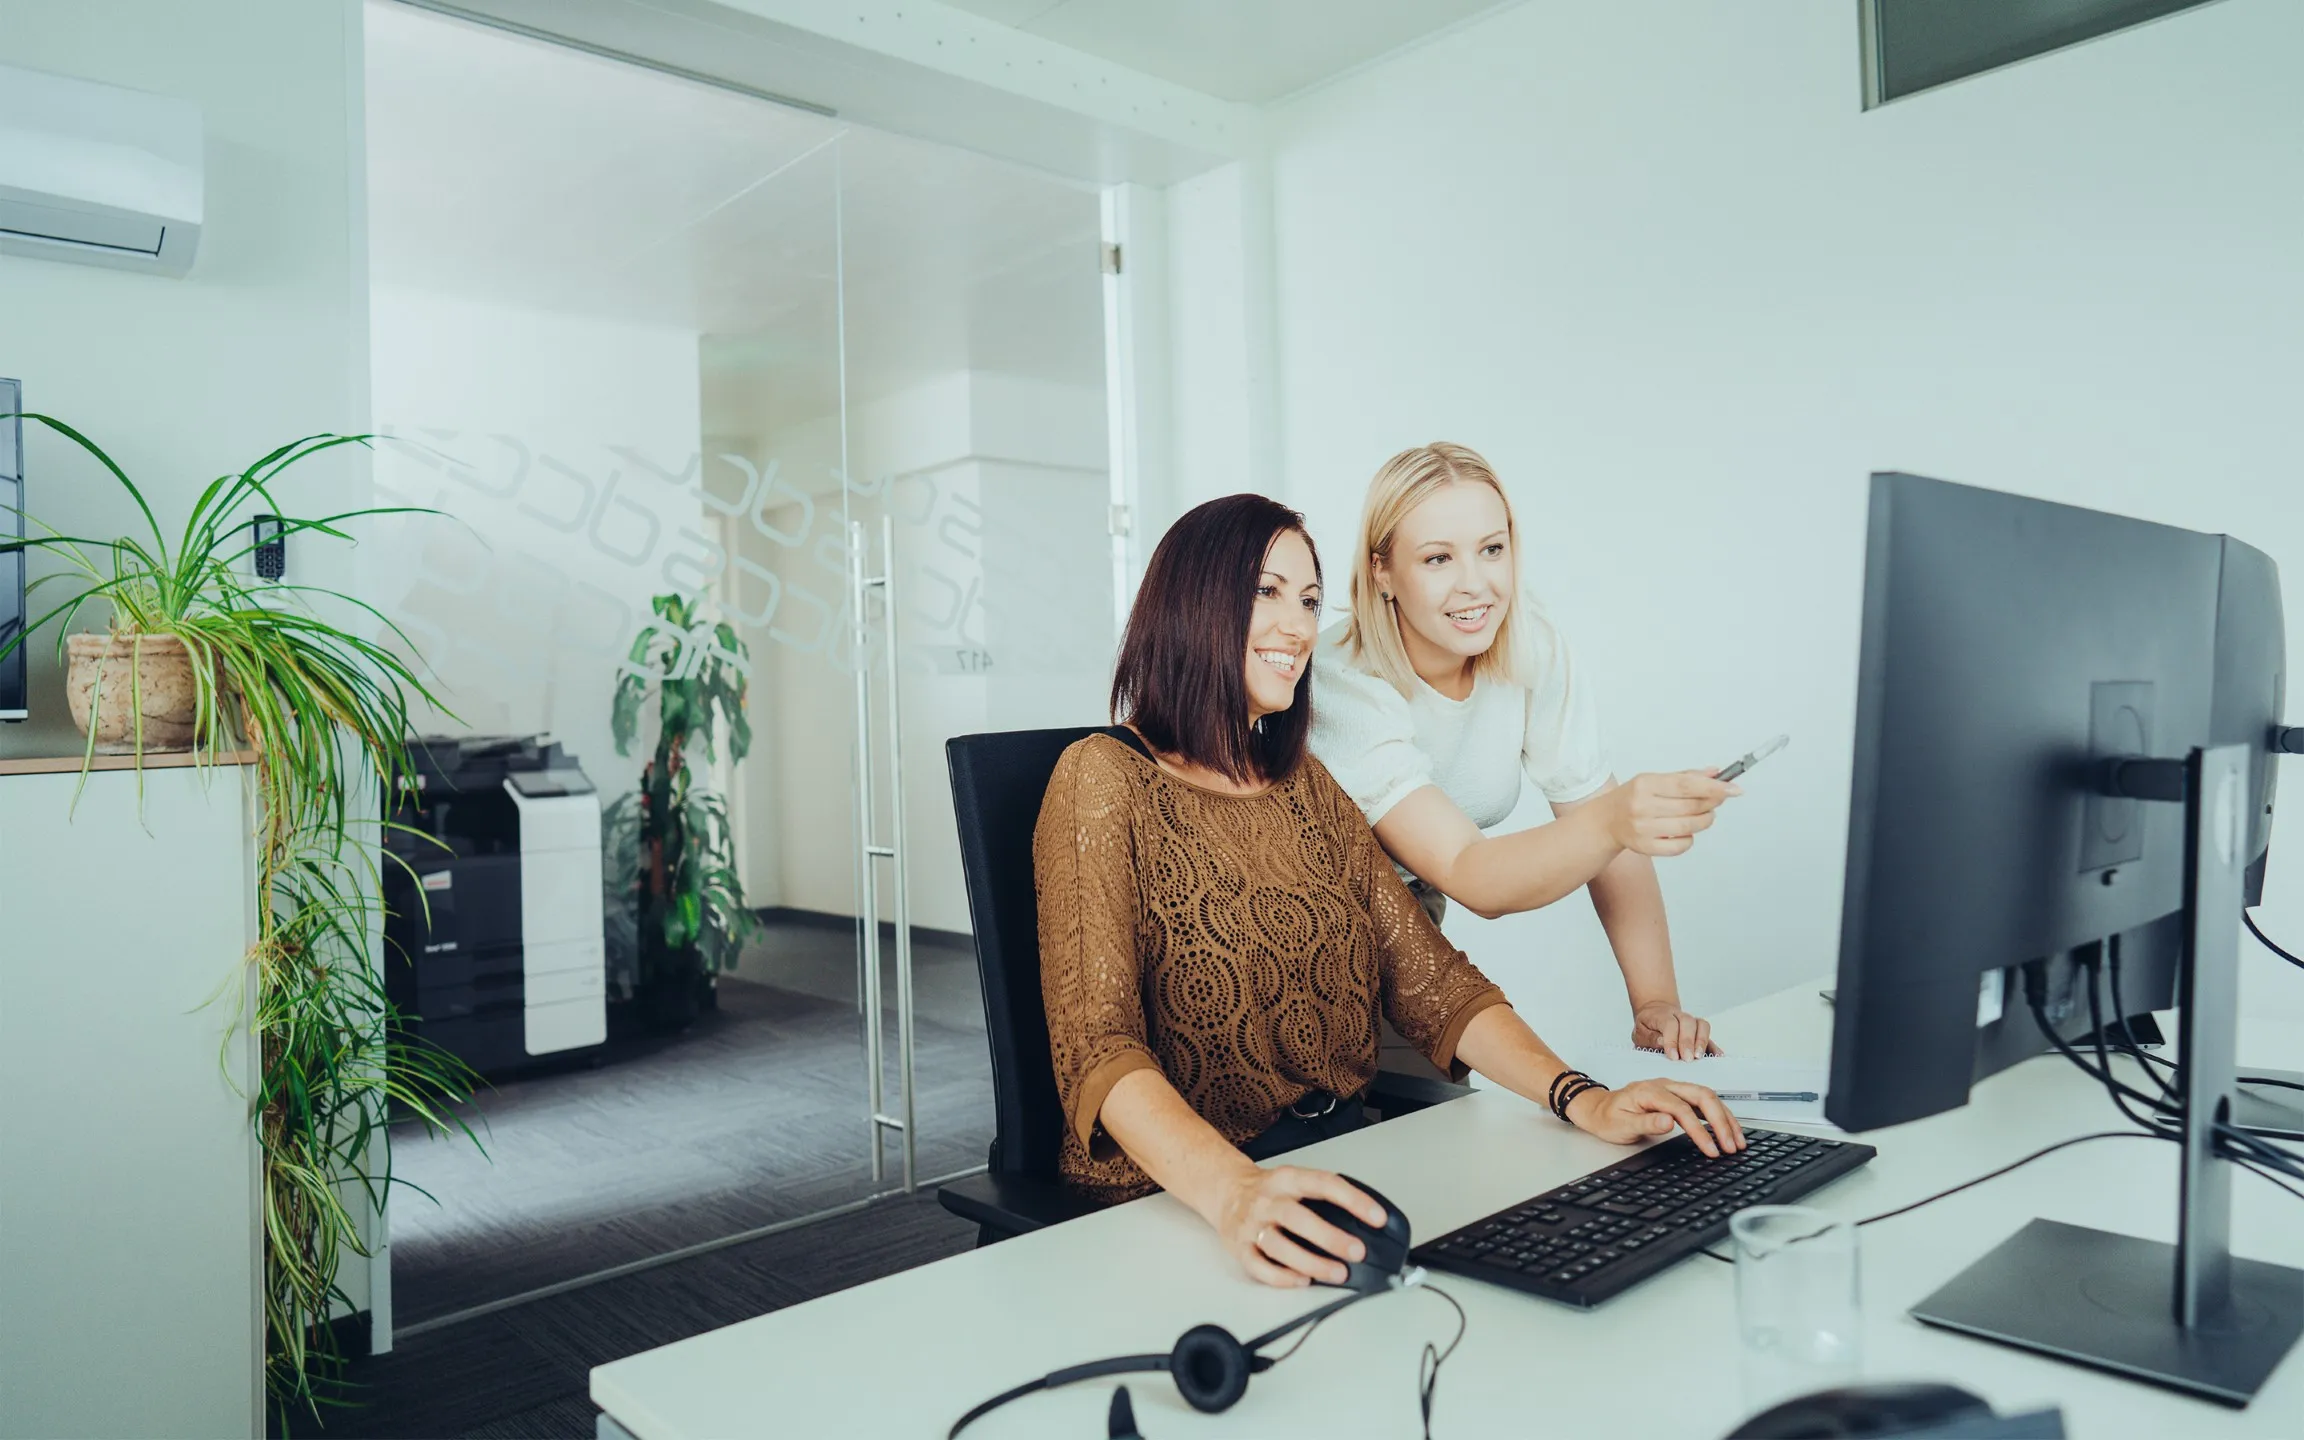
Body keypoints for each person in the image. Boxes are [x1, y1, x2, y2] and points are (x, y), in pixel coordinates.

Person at [1035, 492, 1743, 1289]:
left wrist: (1582, 1097)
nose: (1299, 627)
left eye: (1308, 600)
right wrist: (1233, 1192)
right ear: (1190, 600)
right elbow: (1098, 1045)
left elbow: (1430, 981)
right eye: (1265, 592)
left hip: (1335, 1155)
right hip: (1184, 1201)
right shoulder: (1102, 781)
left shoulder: (1305, 783)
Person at [1310, 442, 1735, 1062]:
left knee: (1439, 1125)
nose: (1475, 584)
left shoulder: (1528, 644)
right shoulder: (1341, 682)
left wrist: (1655, 1004)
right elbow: (1472, 874)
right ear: (1381, 572)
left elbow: (1603, 829)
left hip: (1414, 925)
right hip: (1304, 939)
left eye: (1492, 548)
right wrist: (1618, 819)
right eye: (1437, 558)